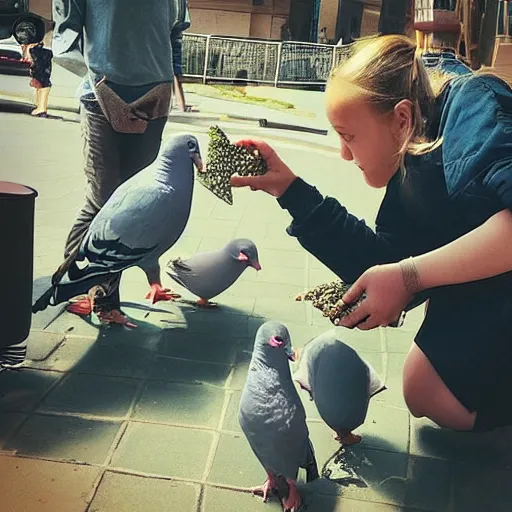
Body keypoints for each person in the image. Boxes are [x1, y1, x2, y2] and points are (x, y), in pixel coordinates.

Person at [231, 34, 512, 433]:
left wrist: (412, 276)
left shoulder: (472, 107)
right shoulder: (412, 147)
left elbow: (403, 272)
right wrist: (289, 190)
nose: (344, 154)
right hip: (489, 282)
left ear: (400, 118)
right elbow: (382, 262)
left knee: (423, 386)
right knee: (421, 389)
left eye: (348, 135)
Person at [51, 0, 184, 326]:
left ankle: (106, 300)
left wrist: (176, 85)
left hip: (155, 95)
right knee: (103, 197)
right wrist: (96, 71)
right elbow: (64, 37)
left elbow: (175, 32)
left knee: (134, 205)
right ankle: (77, 287)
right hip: (101, 93)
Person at [22, 41, 53, 117]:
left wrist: (26, 51)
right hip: (48, 46)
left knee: (40, 78)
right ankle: (40, 106)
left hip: (38, 47)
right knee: (42, 78)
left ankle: (41, 107)